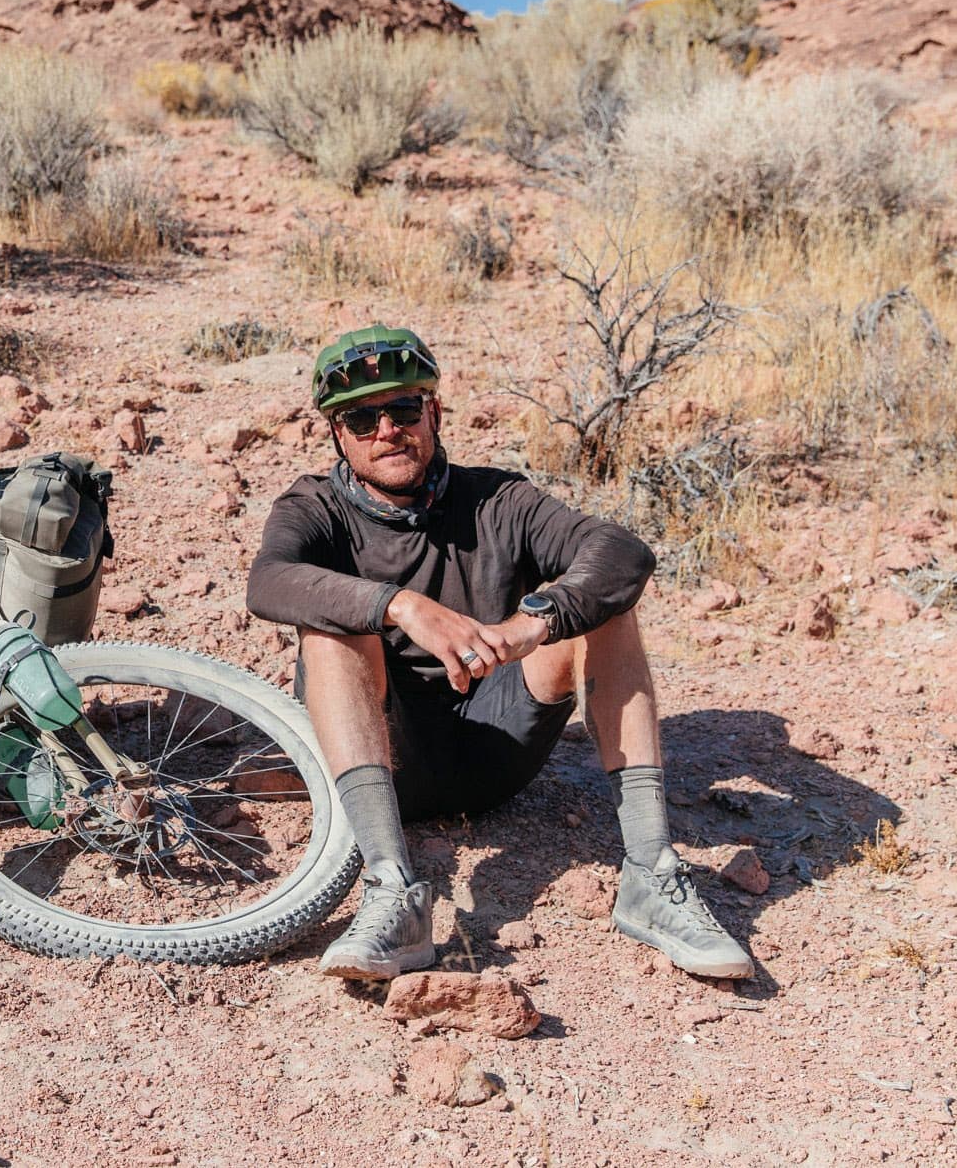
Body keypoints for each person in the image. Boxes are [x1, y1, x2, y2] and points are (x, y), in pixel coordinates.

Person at [244, 324, 753, 981]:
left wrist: (529, 625)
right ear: (337, 434)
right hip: (386, 758)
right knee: (331, 631)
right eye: (361, 418)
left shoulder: (498, 499)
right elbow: (269, 580)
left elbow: (624, 553)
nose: (386, 430)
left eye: (402, 409)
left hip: (499, 745)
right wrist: (399, 605)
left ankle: (652, 875)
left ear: (433, 411)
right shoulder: (312, 505)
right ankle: (393, 888)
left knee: (602, 609)